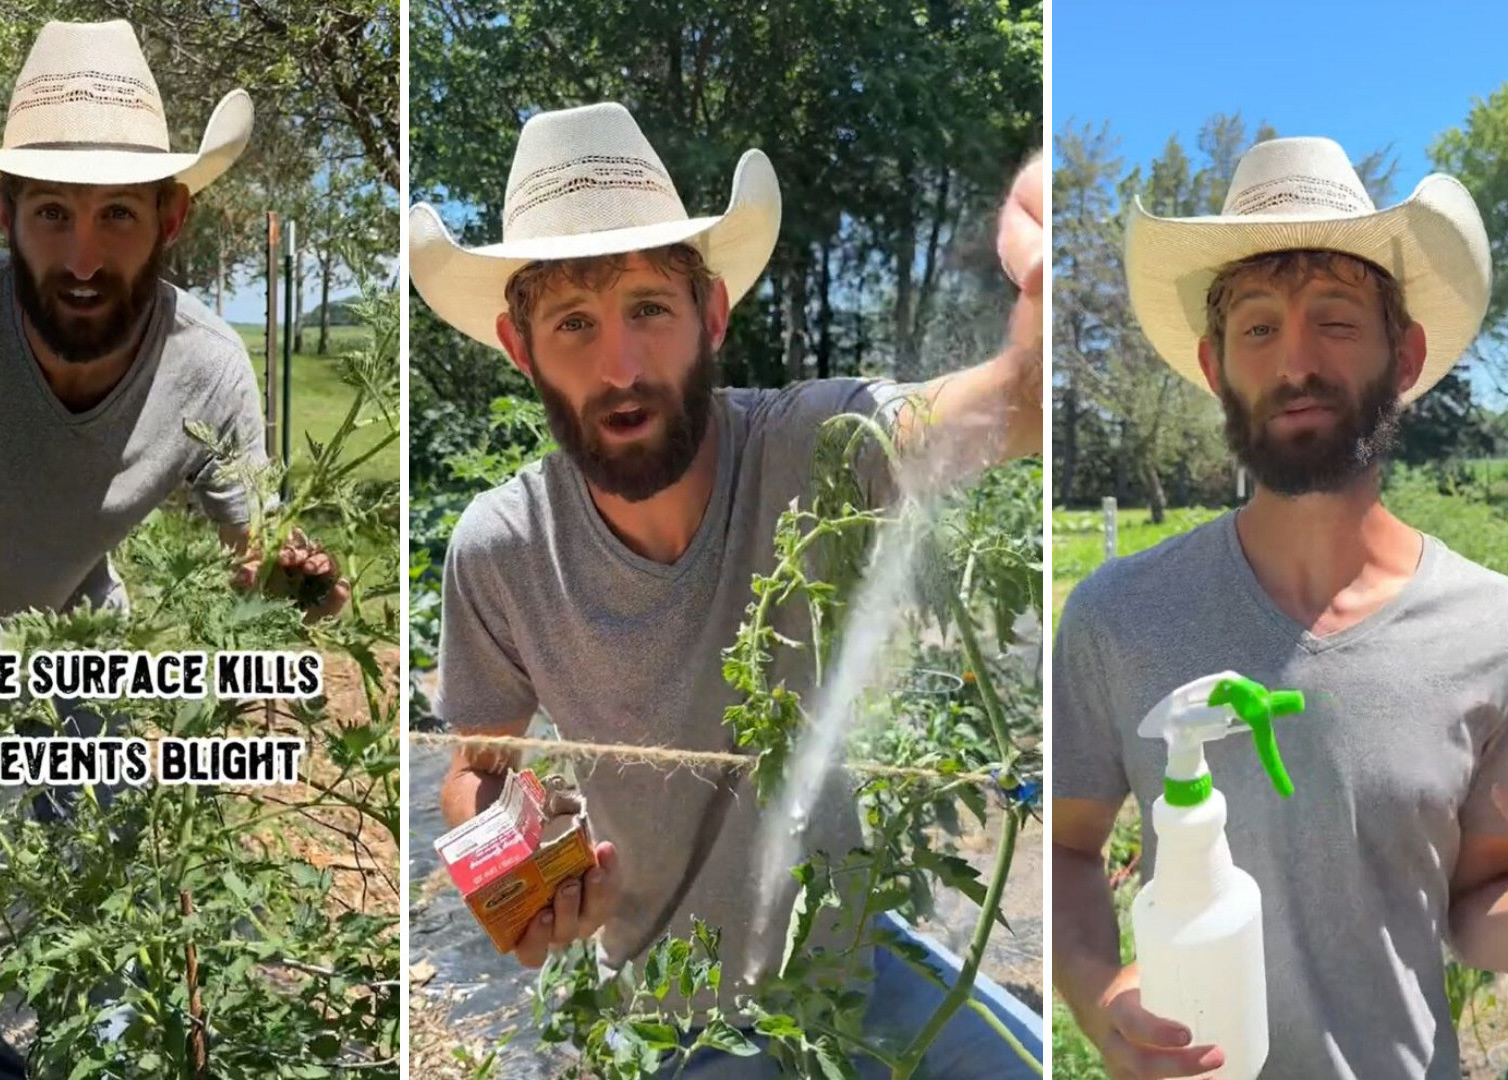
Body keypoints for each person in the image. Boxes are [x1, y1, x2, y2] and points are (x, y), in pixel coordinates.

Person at [408, 102, 1045, 1077]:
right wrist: (509, 870)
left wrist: (1049, 279)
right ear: (519, 346)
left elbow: (1007, 404)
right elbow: (475, 766)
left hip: (848, 961)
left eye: (648, 310)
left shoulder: (816, 446)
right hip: (675, 1013)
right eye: (574, 324)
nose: (620, 366)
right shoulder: (500, 549)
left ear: (711, 313)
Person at [1051, 136, 1508, 1079]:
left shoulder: (1502, 633)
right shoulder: (1114, 617)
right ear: (1214, 365)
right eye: (1257, 327)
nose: (1295, 362)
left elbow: (1481, 900)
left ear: (1402, 354)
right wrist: (1099, 993)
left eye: (1335, 321)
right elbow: (1066, 853)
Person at [0, 20, 347, 1079]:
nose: (82, 256)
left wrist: (290, 589)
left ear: (173, 215)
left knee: (109, 894)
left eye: (118, 213)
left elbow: (251, 557)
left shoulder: (208, 367)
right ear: (3, 209)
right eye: (53, 213)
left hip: (83, 625)